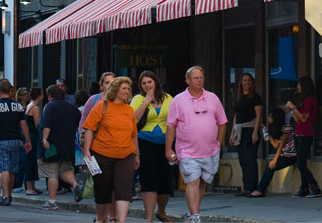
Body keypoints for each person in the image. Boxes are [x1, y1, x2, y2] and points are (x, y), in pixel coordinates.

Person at [166, 66, 227, 223]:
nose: (199, 80)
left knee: (202, 184)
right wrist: (168, 149)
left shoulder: (212, 97)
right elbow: (171, 125)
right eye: (196, 78)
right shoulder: (178, 100)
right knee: (192, 181)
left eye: (201, 77)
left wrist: (219, 143)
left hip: (210, 150)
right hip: (186, 151)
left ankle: (192, 213)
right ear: (187, 80)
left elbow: (222, 122)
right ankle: (195, 217)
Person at [82, 77, 139, 223]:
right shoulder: (102, 106)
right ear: (115, 89)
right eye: (124, 88)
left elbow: (134, 135)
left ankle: (121, 220)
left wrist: (136, 154)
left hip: (126, 155)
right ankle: (101, 219)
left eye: (128, 88)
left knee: (124, 189)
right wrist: (87, 151)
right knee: (103, 189)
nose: (127, 91)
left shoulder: (129, 110)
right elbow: (89, 129)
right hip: (102, 154)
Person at [131, 70, 174, 222]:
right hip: (145, 143)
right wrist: (146, 101)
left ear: (156, 82)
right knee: (149, 180)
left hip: (165, 144)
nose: (147, 85)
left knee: (166, 183)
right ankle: (148, 218)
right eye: (143, 83)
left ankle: (161, 211)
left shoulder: (168, 98)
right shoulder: (138, 99)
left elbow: (175, 120)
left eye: (149, 82)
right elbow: (133, 120)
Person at [0, 80, 32, 206]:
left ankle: (5, 196)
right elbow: (24, 125)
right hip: (16, 140)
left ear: (0, 91)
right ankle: (9, 194)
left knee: (4, 169)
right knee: (12, 169)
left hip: (1, 140)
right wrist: (27, 140)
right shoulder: (18, 106)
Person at [39, 84, 82, 210]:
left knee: (52, 173)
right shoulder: (72, 108)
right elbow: (77, 125)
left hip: (52, 145)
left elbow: (47, 125)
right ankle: (76, 186)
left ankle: (52, 201)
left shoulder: (49, 107)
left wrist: (45, 139)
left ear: (50, 96)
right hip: (68, 145)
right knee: (65, 170)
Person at [247, 108, 296, 198]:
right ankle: (260, 189)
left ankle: (260, 190)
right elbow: (275, 145)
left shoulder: (287, 128)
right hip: (285, 155)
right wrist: (267, 133)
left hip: (292, 156)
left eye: (270, 117)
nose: (268, 119)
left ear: (275, 118)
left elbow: (281, 146)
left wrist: (274, 160)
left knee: (271, 166)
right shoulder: (280, 128)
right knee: (270, 165)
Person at [286, 76, 322, 198]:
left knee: (301, 164)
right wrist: (292, 111)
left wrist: (293, 107)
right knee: (301, 162)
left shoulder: (310, 100)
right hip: (298, 133)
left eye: (299, 84)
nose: (297, 87)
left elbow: (304, 118)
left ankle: (315, 186)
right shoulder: (304, 100)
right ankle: (304, 187)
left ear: (304, 86)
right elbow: (298, 120)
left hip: (306, 135)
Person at [229, 73, 262, 197]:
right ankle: (246, 187)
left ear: (252, 82)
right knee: (243, 160)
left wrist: (255, 132)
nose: (246, 83)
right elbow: (236, 116)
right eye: (244, 80)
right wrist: (232, 132)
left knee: (250, 160)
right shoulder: (238, 97)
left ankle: (253, 188)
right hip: (239, 130)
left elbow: (259, 115)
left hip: (250, 129)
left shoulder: (256, 97)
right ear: (241, 82)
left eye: (248, 80)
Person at [23, 87, 44, 195]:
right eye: (42, 94)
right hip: (33, 137)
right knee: (31, 161)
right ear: (39, 96)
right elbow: (37, 125)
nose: (43, 96)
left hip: (29, 136)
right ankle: (30, 187)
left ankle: (32, 186)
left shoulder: (29, 106)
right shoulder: (35, 108)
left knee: (30, 161)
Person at [13, 87, 31, 193]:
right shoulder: (18, 107)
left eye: (27, 94)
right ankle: (17, 184)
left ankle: (22, 183)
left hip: (25, 135)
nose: (26, 96)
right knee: (21, 161)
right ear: (19, 96)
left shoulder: (27, 107)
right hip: (20, 136)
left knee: (25, 161)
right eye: (24, 94)